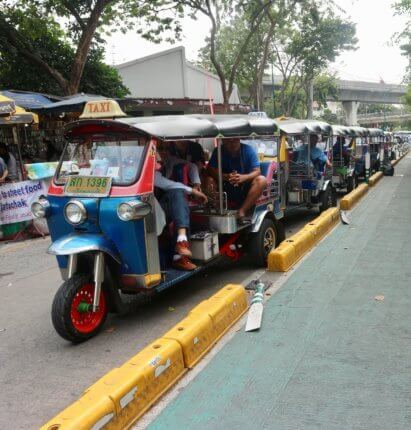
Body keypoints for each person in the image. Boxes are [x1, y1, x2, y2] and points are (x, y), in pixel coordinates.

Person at [155, 141, 208, 271]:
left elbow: (192, 166)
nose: (164, 152)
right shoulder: (151, 166)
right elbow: (165, 184)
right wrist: (192, 191)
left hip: (166, 206)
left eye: (167, 149)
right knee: (178, 194)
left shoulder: (170, 161)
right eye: (160, 149)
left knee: (179, 199)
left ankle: (181, 244)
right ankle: (181, 245)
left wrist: (196, 184)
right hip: (151, 207)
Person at [207, 138, 267, 221]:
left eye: (235, 140)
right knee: (209, 180)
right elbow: (210, 170)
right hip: (224, 186)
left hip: (245, 187)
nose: (233, 144)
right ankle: (217, 210)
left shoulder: (248, 150)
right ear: (223, 141)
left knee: (262, 180)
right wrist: (226, 176)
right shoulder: (218, 151)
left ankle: (242, 211)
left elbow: (257, 171)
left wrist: (243, 178)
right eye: (229, 141)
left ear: (239, 140)